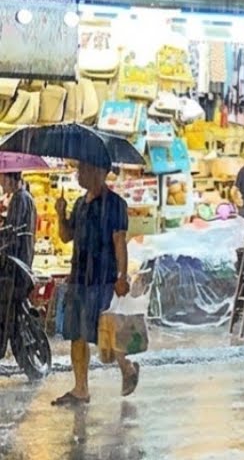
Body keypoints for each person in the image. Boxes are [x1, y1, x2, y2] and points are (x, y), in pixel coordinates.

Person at [52, 162, 138, 406]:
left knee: (102, 332)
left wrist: (121, 276)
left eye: (85, 170)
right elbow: (66, 236)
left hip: (102, 278)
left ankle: (127, 366)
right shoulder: (80, 204)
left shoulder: (115, 204)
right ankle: (80, 389)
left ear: (100, 173)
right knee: (76, 334)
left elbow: (119, 241)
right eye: (79, 170)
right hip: (79, 278)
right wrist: (60, 214)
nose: (80, 175)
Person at [0, 172, 36, 267]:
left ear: (9, 179)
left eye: (3, 181)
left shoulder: (19, 198)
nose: (2, 185)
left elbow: (12, 230)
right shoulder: (24, 197)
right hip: (22, 257)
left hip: (18, 258)